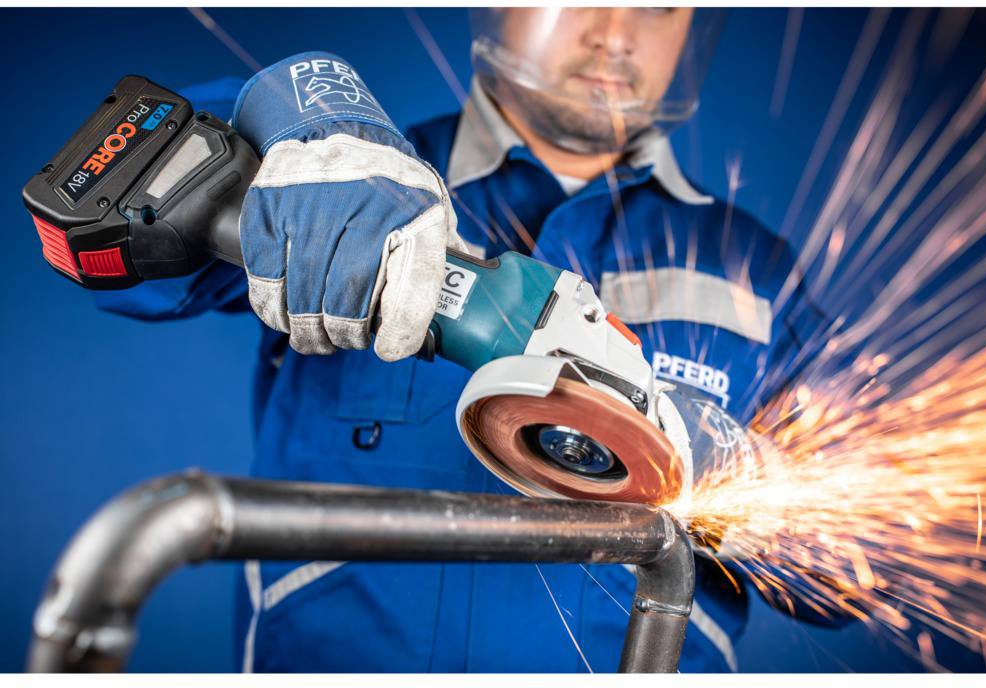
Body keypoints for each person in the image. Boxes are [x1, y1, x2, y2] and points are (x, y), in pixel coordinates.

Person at [97, 8, 828, 672]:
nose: (615, 32)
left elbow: (867, 566)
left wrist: (749, 484)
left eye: (660, 4)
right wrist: (283, 119)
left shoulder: (755, 274)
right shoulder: (359, 175)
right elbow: (111, 218)